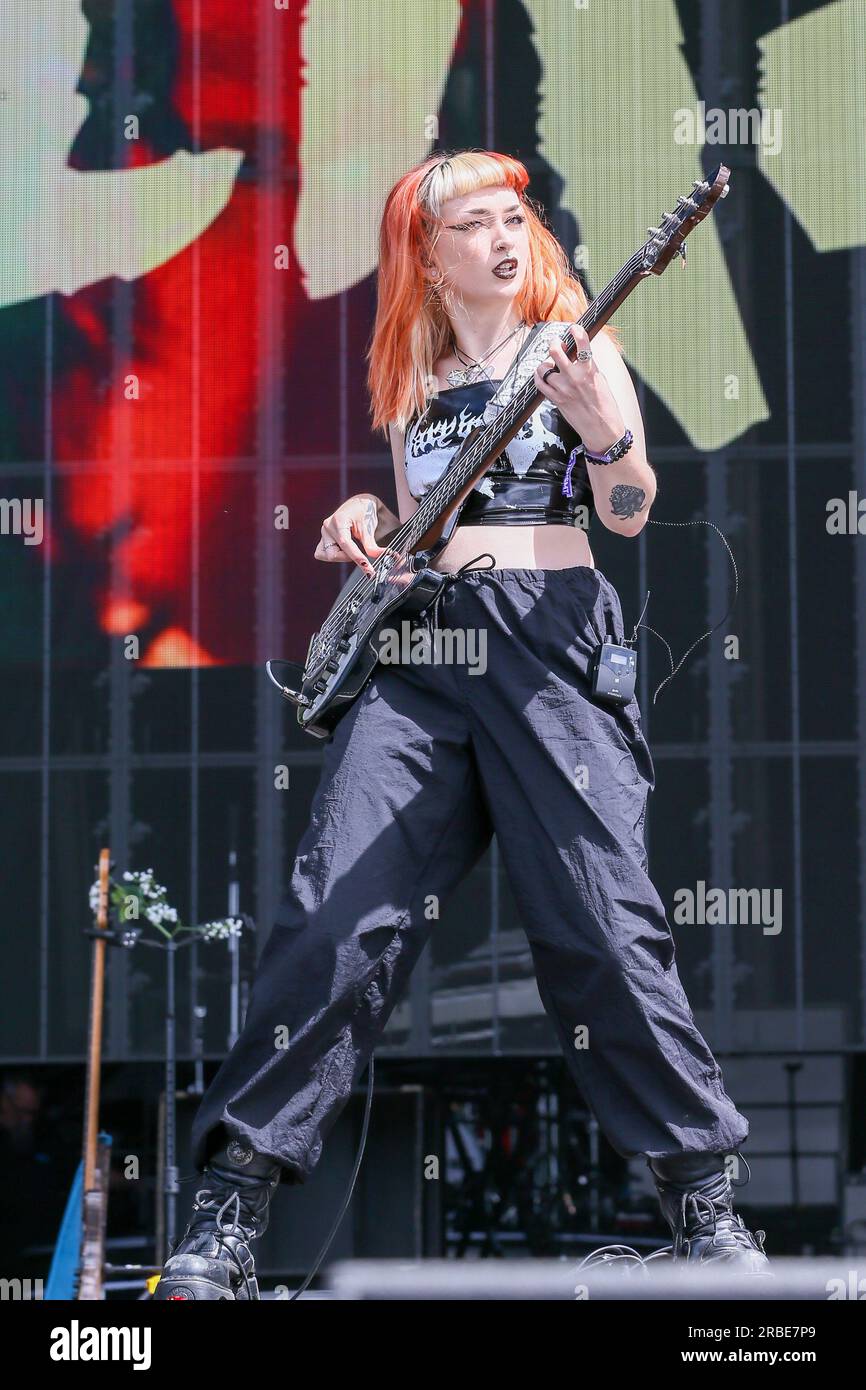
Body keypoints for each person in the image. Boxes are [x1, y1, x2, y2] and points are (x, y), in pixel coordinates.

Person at [154, 149, 768, 1300]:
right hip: (423, 660)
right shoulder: (416, 382)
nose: (500, 236)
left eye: (511, 216)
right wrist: (365, 516)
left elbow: (628, 515)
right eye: (472, 223)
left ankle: (704, 1214)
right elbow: (427, 530)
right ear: (426, 258)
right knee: (329, 916)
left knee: (599, 926)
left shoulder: (576, 349)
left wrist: (602, 435)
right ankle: (224, 1218)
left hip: (548, 645)